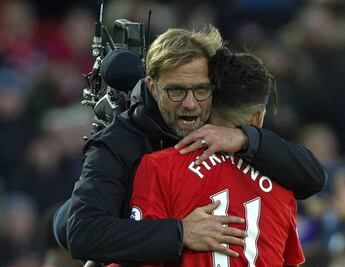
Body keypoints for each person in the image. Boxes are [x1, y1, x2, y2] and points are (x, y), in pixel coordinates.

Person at [54, 25, 327, 264]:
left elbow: (313, 178)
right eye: (176, 90)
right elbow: (82, 234)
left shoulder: (230, 130)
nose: (190, 102)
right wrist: (182, 232)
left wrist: (246, 139)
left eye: (200, 89)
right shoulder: (120, 141)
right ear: (151, 86)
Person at [120, 49, 306, 267]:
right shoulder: (282, 181)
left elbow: (143, 259)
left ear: (208, 103)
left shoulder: (160, 167)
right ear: (258, 118)